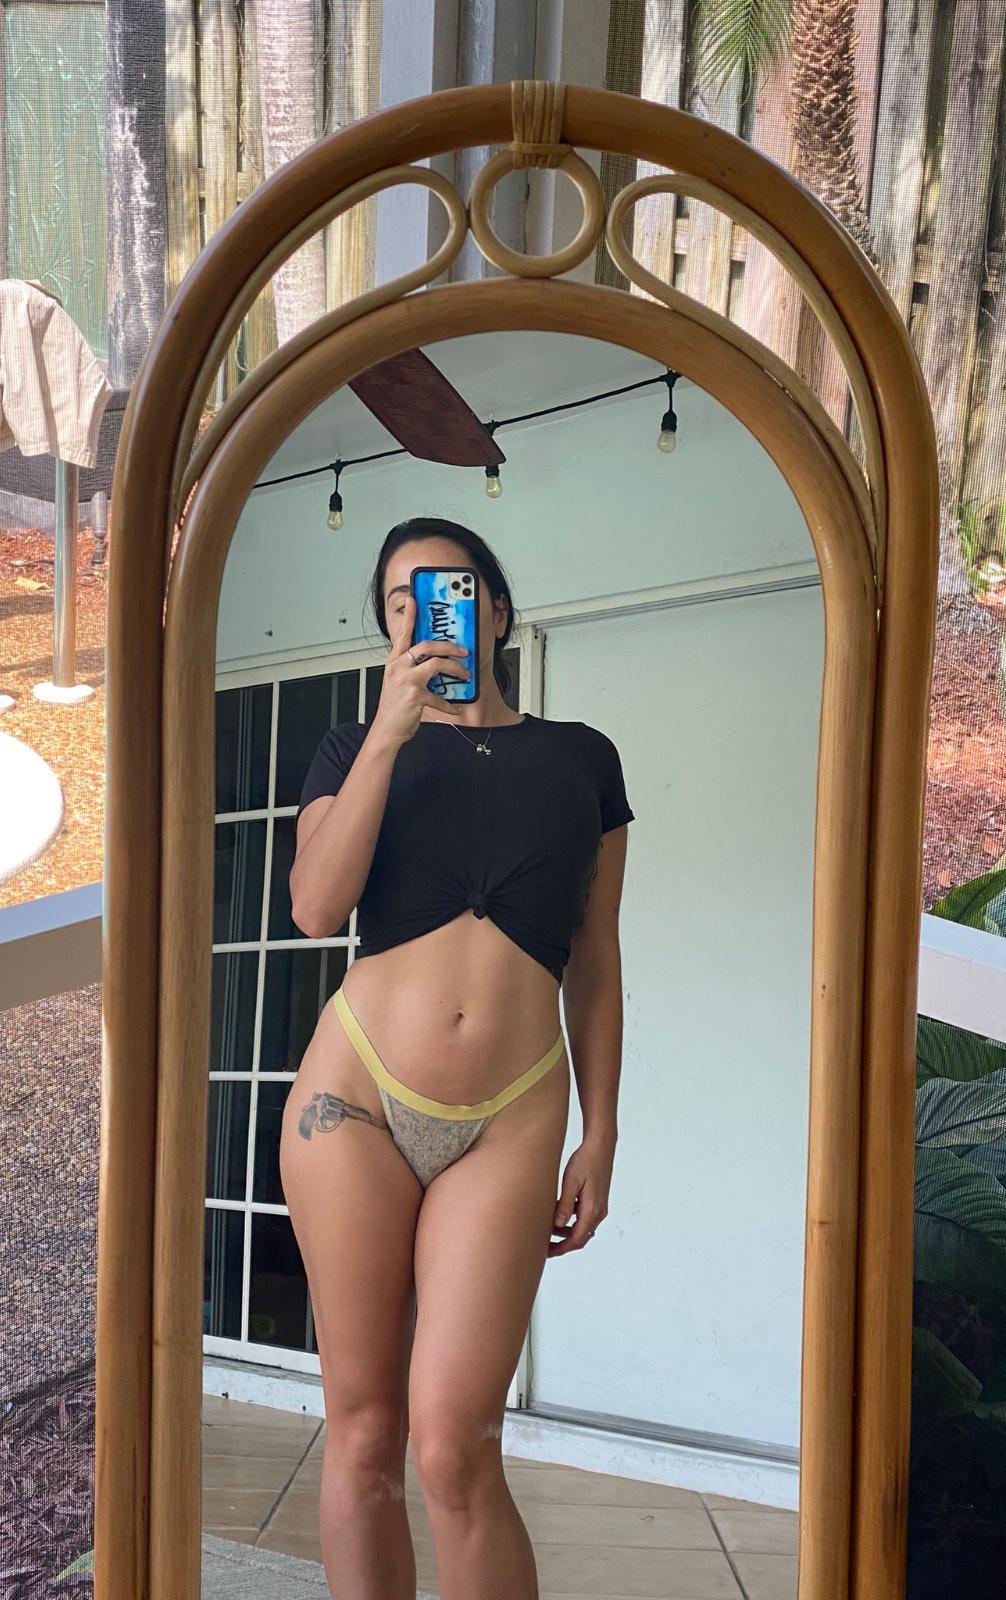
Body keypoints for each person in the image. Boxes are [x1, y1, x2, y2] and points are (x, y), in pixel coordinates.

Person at [280, 516, 634, 1599]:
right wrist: (388, 735)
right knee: (364, 1431)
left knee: (455, 1446)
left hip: (511, 1116)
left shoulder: (583, 757)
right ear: (390, 628)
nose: (427, 609)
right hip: (355, 1100)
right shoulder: (352, 748)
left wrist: (603, 1133)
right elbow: (315, 908)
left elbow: (596, 959)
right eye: (403, 599)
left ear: (496, 608)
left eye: (452, 586)